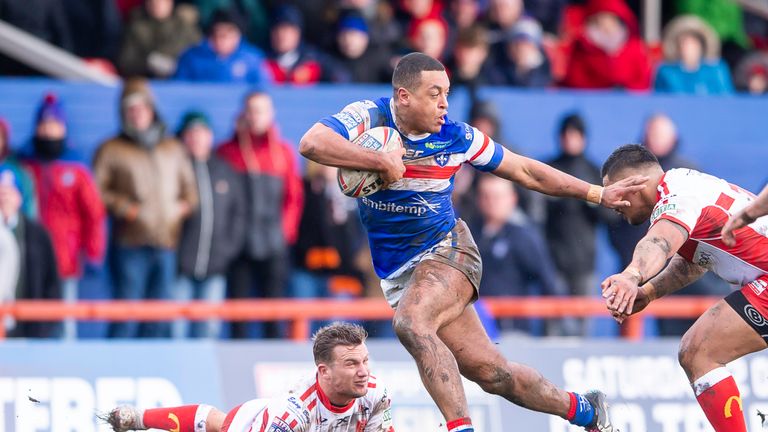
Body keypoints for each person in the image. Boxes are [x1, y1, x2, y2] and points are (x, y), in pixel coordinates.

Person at [299, 51, 647, 432]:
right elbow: (312, 143)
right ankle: (586, 409)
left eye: (447, 93)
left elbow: (526, 170)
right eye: (434, 94)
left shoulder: (458, 137)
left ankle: (460, 428)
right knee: (493, 373)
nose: (445, 104)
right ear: (403, 97)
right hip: (400, 273)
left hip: (448, 252)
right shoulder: (369, 115)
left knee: (412, 323)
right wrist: (379, 161)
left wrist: (597, 194)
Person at [599, 144, 768, 432]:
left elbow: (659, 243)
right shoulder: (685, 185)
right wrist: (649, 292)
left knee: (698, 351)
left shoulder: (675, 196)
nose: (612, 204)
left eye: (614, 192)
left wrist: (631, 275)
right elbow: (693, 262)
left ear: (635, 185)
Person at [104, 322, 394, 432]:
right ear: (324, 372)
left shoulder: (375, 393)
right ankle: (140, 419)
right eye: (351, 363)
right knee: (221, 423)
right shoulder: (291, 416)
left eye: (365, 361)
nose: (363, 371)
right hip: (252, 423)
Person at [93, 78, 198, 338]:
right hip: (130, 245)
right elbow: (96, 191)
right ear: (123, 113)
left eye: (142, 107)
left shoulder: (173, 148)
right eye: (131, 109)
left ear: (152, 109)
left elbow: (191, 192)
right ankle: (117, 373)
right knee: (126, 315)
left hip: (166, 245)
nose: (137, 113)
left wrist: (179, 209)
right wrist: (126, 208)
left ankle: (155, 371)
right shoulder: (111, 149)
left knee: (160, 317)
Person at [216, 91, 303, 339]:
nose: (256, 117)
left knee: (274, 314)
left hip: (273, 244)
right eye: (251, 111)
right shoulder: (227, 152)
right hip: (238, 247)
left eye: (261, 111)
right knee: (239, 315)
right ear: (242, 115)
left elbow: (293, 197)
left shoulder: (283, 152)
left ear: (271, 115)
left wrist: (285, 233)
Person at [23, 93, 107, 340]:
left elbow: (93, 214)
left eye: (54, 125)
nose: (49, 131)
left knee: (64, 318)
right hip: (31, 257)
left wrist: (93, 252)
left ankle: (64, 365)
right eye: (44, 125)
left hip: (65, 258)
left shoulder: (76, 168)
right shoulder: (26, 165)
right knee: (31, 315)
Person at [174, 111, 246, 339]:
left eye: (201, 132)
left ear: (210, 136)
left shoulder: (224, 171)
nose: (196, 138)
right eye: (191, 133)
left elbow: (238, 214)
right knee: (176, 327)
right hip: (180, 267)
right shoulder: (175, 168)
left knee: (209, 328)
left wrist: (226, 251)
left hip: (215, 266)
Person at [173, 8, 271, 85]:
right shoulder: (191, 58)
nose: (219, 40)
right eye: (215, 34)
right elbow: (179, 88)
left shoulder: (252, 59)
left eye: (225, 35)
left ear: (237, 36)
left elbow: (264, 90)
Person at [118, 0, 202, 78]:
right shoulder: (136, 27)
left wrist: (179, 66)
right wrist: (148, 63)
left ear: (170, 3)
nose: (156, 5)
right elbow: (126, 62)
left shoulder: (185, 28)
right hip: (147, 81)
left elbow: (201, 54)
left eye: (161, 2)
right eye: (152, 2)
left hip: (180, 82)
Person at [654, 15, 734, 95]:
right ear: (678, 47)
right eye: (684, 43)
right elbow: (659, 99)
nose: (689, 48)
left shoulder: (716, 70)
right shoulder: (667, 72)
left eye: (693, 43)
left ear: (701, 45)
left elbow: (727, 97)